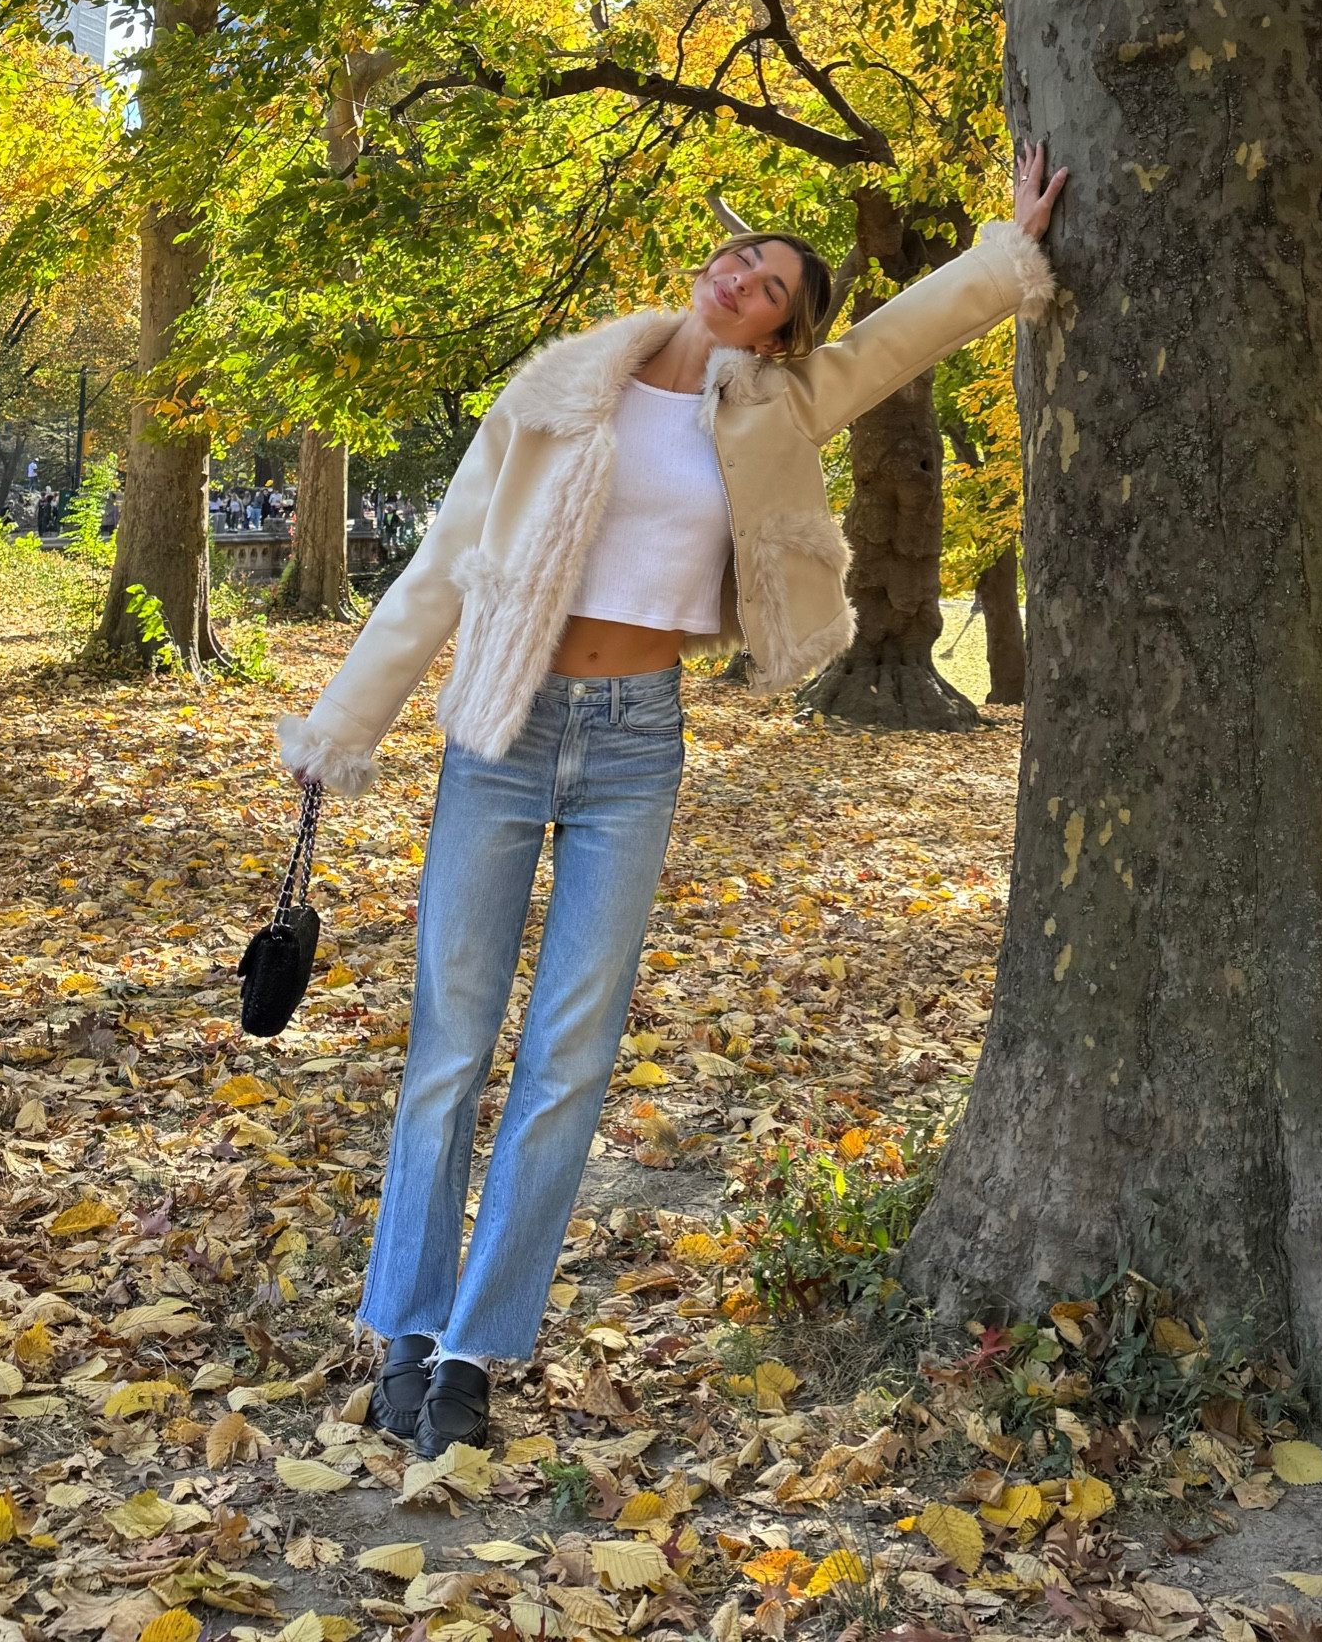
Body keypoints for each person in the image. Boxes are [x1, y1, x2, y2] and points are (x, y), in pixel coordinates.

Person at [275, 145, 1068, 1458]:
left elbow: (895, 340)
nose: (740, 280)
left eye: (768, 288)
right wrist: (341, 726)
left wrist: (1007, 250)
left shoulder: (767, 408)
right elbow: (441, 565)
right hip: (502, 733)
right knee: (449, 1049)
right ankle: (404, 1326)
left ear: (780, 328)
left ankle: (473, 1349)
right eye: (737, 260)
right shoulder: (558, 389)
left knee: (566, 1058)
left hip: (636, 744)